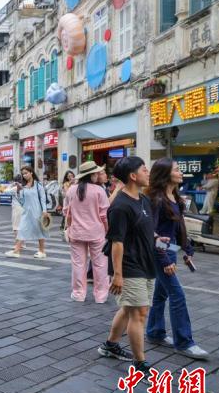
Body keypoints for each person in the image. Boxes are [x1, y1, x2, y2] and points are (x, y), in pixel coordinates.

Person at [97, 156, 164, 379]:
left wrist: (157, 238)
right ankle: (140, 363)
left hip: (146, 262)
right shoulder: (120, 206)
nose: (148, 172)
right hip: (129, 266)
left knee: (128, 309)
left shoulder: (143, 199)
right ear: (133, 176)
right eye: (144, 169)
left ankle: (110, 345)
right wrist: (118, 275)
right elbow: (117, 242)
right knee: (139, 312)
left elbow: (144, 228)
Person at [145, 158, 209, 360]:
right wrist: (165, 261)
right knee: (177, 295)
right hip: (160, 252)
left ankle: (155, 332)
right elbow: (152, 234)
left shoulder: (175, 197)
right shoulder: (156, 200)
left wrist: (187, 248)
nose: (181, 172)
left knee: (161, 294)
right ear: (165, 174)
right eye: (176, 170)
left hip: (170, 249)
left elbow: (179, 227)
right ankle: (184, 342)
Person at [63, 161, 110, 303]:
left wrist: (70, 227)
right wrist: (107, 230)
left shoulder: (71, 190)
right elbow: (104, 215)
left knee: (78, 264)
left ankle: (79, 294)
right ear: (92, 175)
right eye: (96, 173)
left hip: (77, 232)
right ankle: (101, 296)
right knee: (100, 264)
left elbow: (66, 212)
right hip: (97, 232)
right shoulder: (99, 190)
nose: (97, 175)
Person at [5, 166, 49, 259]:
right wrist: (18, 191)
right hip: (26, 212)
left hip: (37, 211)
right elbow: (22, 201)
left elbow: (43, 199)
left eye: (26, 173)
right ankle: (16, 251)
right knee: (21, 229)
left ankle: (42, 251)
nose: (24, 175)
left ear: (31, 172)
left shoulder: (38, 185)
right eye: (23, 174)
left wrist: (44, 211)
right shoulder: (23, 186)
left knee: (39, 230)